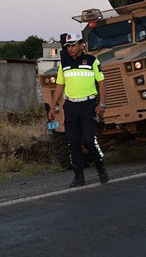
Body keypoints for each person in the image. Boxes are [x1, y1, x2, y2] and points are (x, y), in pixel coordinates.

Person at [47, 33, 109, 187]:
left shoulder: (92, 61)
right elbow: (59, 86)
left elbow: (101, 82)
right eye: (68, 46)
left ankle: (100, 167)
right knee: (73, 143)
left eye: (73, 45)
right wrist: (53, 107)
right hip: (71, 107)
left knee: (89, 140)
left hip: (88, 106)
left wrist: (102, 104)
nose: (70, 49)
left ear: (81, 44)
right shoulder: (64, 65)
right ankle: (78, 176)